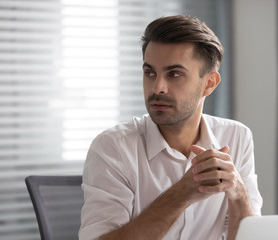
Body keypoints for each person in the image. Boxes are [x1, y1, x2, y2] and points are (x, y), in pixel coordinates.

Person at [79, 15, 262, 240]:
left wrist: (238, 193)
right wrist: (181, 194)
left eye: (174, 74)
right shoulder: (113, 147)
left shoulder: (236, 137)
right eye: (150, 73)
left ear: (209, 83)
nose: (158, 87)